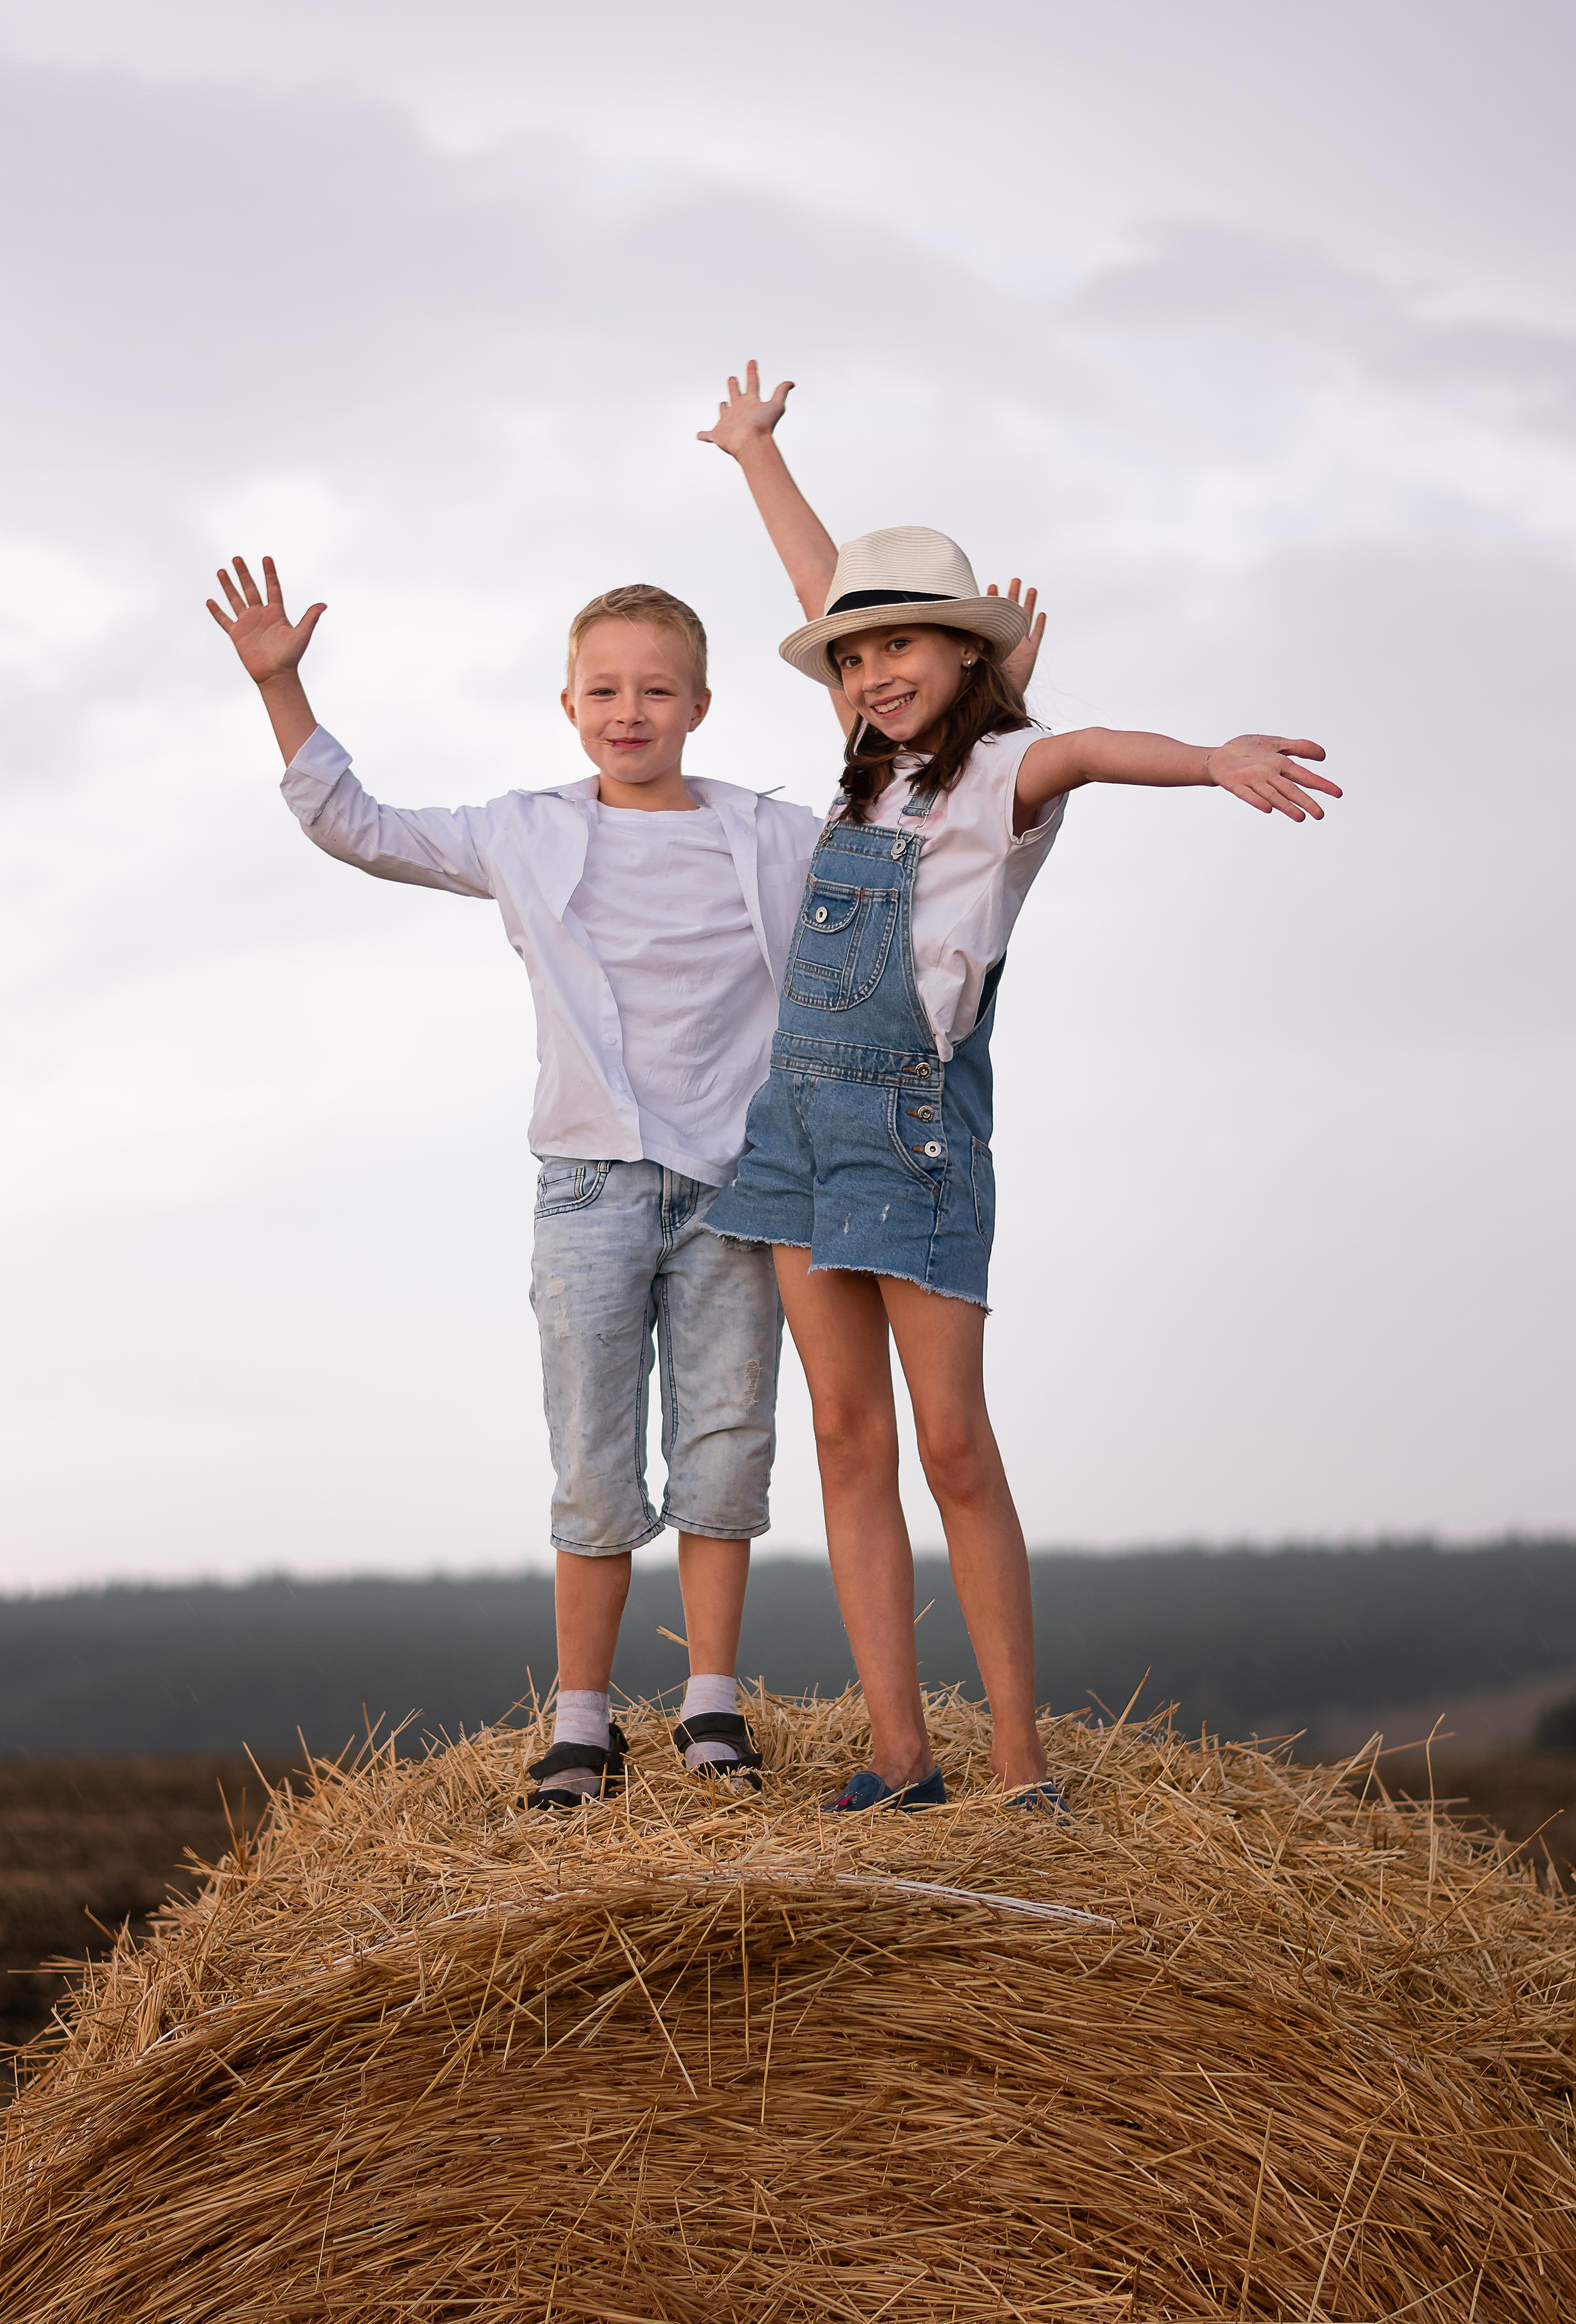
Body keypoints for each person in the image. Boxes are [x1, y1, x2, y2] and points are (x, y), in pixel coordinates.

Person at [698, 364, 1342, 1812]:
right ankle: (899, 1757)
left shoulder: (1003, 776)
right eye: (851, 659)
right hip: (793, 1133)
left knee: (950, 1445)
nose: (872, 673)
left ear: (966, 651)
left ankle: (1016, 1766)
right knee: (845, 1441)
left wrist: (1210, 759)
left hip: (910, 1134)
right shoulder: (860, 768)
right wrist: (753, 455)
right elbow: (819, 587)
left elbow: (1097, 750)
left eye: (901, 645)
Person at [207, 557, 824, 1806]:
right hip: (591, 1190)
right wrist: (282, 687)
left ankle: (711, 1708)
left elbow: (910, 856)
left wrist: (1000, 732)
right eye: (605, 690)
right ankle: (582, 1722)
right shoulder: (526, 831)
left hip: (737, 1187)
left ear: (701, 706)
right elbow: (357, 826)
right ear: (569, 706)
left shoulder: (776, 838)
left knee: (724, 1453)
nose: (629, 711)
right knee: (592, 1463)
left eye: (657, 690)